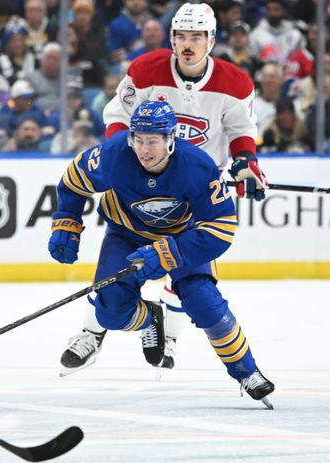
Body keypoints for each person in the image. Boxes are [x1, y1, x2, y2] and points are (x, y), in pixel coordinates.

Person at [65, 2, 267, 375]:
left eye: (196, 37)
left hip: (194, 192)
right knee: (116, 269)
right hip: (143, 181)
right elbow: (118, 118)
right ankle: (94, 331)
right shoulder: (145, 71)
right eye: (181, 36)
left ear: (211, 39)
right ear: (172, 38)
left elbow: (241, 131)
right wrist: (122, 164)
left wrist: (244, 164)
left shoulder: (235, 83)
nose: (188, 45)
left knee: (190, 278)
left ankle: (168, 335)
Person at [48, 100, 275, 408]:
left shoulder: (197, 166)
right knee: (110, 312)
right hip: (126, 235)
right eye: (138, 139)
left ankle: (247, 372)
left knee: (203, 302)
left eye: (152, 140)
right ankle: (150, 320)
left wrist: (169, 252)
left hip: (182, 238)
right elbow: (74, 182)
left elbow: (221, 228)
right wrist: (66, 222)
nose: (144, 149)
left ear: (171, 139)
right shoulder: (114, 155)